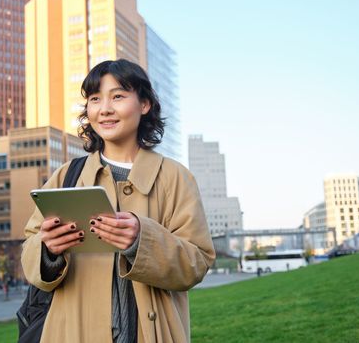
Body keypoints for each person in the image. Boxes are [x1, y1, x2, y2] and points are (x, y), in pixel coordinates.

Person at [21, 59, 215, 343]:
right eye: (95, 99)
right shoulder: (65, 176)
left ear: (145, 104)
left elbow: (196, 263)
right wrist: (47, 250)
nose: (105, 109)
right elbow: (30, 251)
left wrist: (142, 240)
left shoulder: (175, 177)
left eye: (118, 96)